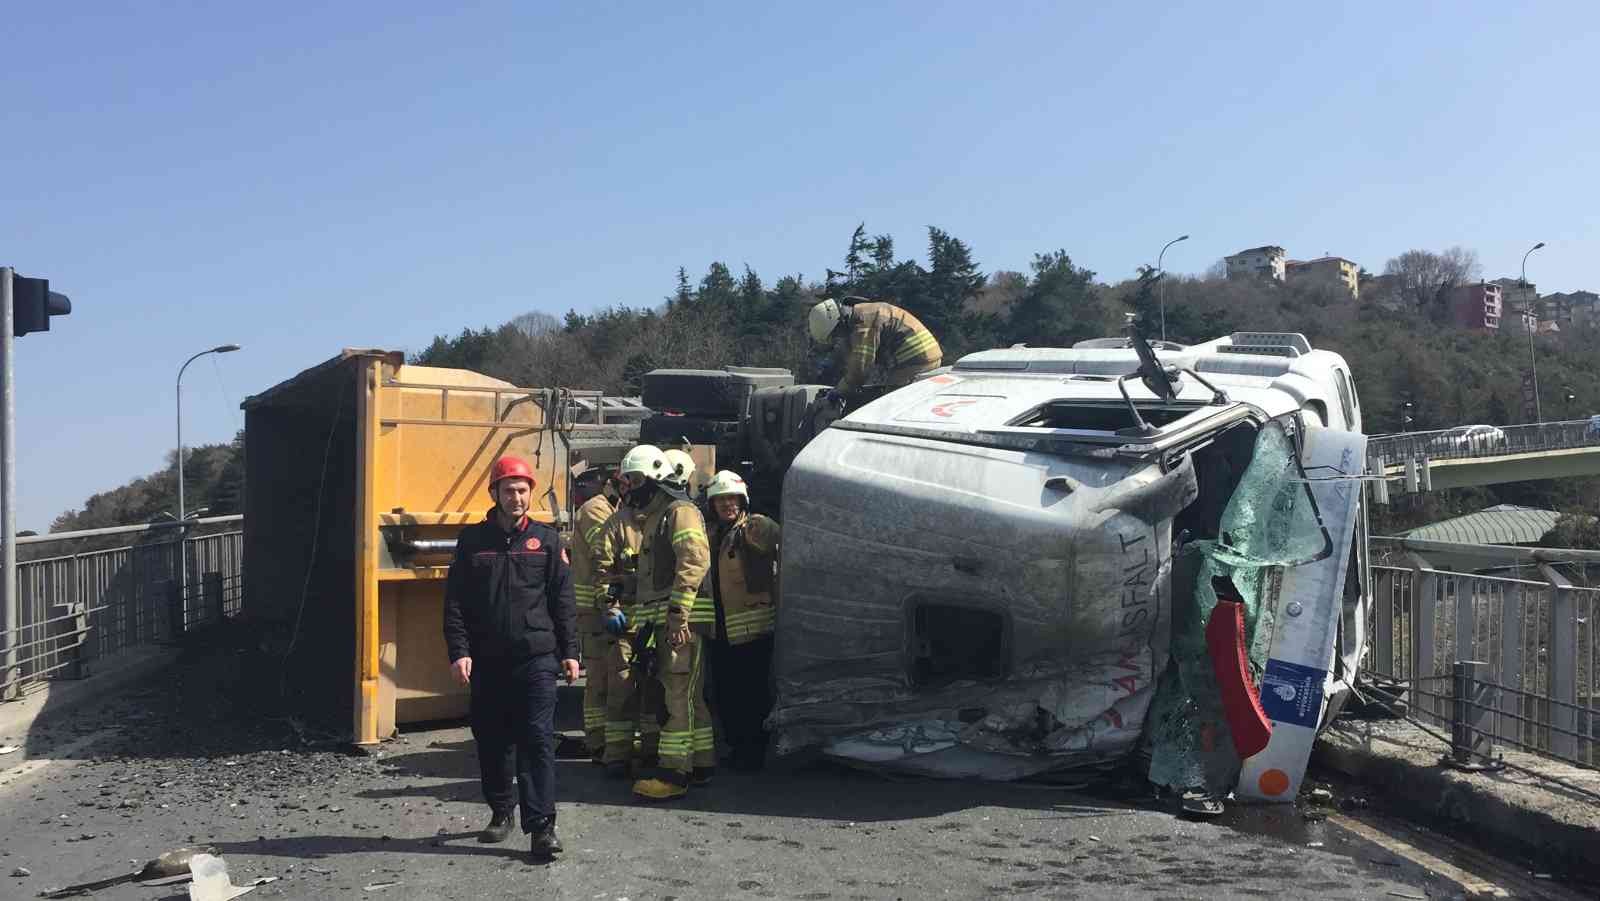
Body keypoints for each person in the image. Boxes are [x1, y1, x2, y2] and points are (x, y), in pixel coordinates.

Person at [442, 455, 579, 860]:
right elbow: (455, 604)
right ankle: (501, 809)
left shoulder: (547, 541)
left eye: (522, 490)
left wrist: (570, 652)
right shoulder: (472, 542)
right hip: (488, 660)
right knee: (493, 740)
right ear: (495, 494)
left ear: (529, 493)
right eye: (508, 490)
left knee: (537, 739)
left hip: (536, 658)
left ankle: (541, 828)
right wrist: (459, 651)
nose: (516, 497)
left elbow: (563, 601)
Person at [623, 446, 714, 801]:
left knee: (677, 697)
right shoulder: (659, 515)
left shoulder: (679, 512)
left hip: (679, 625)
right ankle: (703, 764)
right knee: (690, 697)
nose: (631, 487)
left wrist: (678, 617)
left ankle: (674, 774)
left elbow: (693, 562)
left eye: (635, 479)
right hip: (665, 622)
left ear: (655, 477)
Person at [702, 470, 781, 771]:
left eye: (732, 498)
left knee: (754, 693)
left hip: (754, 632)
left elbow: (785, 548)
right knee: (725, 693)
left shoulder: (758, 527)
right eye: (721, 500)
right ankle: (736, 747)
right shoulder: (710, 534)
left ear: (742, 499)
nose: (727, 505)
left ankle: (754, 752)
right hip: (720, 631)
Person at [592, 445, 660, 777]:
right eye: (628, 480)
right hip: (624, 623)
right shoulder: (616, 524)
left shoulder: (667, 519)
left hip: (656, 621)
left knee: (652, 689)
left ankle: (650, 752)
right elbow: (602, 572)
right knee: (621, 687)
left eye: (637, 479)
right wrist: (609, 607)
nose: (632, 486)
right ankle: (617, 755)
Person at [568, 463, 621, 761]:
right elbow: (608, 552)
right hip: (594, 610)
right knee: (600, 678)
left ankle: (610, 741)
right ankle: (598, 742)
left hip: (608, 606)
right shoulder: (596, 510)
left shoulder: (618, 509)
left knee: (615, 677)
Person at [807, 296, 942, 404]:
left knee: (891, 405)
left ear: (840, 324)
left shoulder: (863, 324)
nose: (838, 340)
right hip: (922, 356)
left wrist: (838, 392)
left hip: (916, 361)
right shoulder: (864, 313)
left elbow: (860, 369)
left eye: (836, 336)